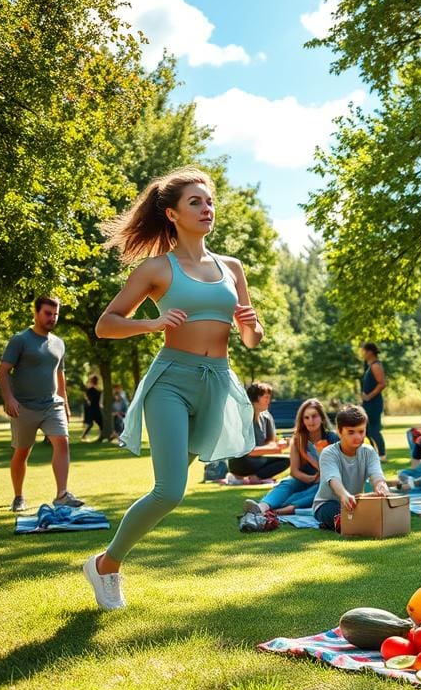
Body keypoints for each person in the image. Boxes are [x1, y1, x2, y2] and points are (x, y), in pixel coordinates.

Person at [83, 166, 261, 610]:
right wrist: (152, 322)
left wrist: (252, 326)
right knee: (170, 490)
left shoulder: (232, 268)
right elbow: (106, 325)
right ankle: (107, 566)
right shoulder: (156, 269)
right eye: (195, 202)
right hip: (172, 382)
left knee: (171, 491)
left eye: (210, 201)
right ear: (172, 214)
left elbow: (252, 338)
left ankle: (104, 562)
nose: (207, 209)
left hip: (217, 382)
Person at [0, 296, 84, 513]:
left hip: (52, 404)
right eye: (48, 313)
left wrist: (64, 403)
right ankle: (18, 496)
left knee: (62, 442)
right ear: (36, 313)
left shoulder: (59, 343)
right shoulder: (20, 340)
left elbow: (60, 375)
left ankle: (62, 495)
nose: (52, 318)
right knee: (22, 452)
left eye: (55, 314)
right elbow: (3, 371)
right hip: (23, 407)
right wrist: (9, 399)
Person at [243, 398, 339, 516]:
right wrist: (312, 478)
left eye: (314, 416)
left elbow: (331, 471)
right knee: (287, 483)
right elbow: (294, 472)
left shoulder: (332, 439)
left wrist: (308, 457)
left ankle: (286, 509)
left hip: (328, 481)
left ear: (322, 418)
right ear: (302, 420)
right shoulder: (298, 439)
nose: (311, 421)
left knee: (323, 489)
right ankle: (261, 507)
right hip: (305, 479)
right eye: (306, 417)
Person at [312, 404, 390, 530]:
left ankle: (347, 522)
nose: (358, 437)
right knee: (345, 517)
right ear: (339, 431)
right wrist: (344, 495)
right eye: (351, 432)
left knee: (373, 516)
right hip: (328, 504)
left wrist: (381, 487)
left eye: (361, 431)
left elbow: (377, 475)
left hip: (356, 503)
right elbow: (333, 479)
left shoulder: (369, 451)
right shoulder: (329, 453)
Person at [226, 382, 289, 484]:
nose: (269, 401)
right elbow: (247, 451)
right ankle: (242, 477)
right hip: (241, 462)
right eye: (266, 397)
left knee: (287, 460)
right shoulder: (242, 419)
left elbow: (271, 442)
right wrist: (274, 448)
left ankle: (255, 477)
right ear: (255, 399)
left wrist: (278, 446)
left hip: (259, 460)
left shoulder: (267, 417)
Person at [360, 342, 387, 460]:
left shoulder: (376, 365)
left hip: (374, 403)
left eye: (364, 351)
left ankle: (382, 455)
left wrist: (369, 396)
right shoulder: (369, 366)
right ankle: (373, 454)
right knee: (367, 430)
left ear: (370, 352)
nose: (363, 354)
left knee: (374, 429)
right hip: (368, 403)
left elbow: (382, 384)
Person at [81, 374, 105, 441]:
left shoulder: (90, 390)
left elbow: (88, 400)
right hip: (95, 408)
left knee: (93, 423)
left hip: (92, 408)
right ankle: (84, 436)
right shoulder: (97, 390)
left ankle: (84, 436)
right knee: (99, 424)